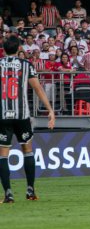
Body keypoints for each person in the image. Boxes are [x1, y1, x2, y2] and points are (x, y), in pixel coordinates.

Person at [0, 35, 55, 203]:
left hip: (3, 116)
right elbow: (38, 89)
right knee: (27, 150)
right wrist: (50, 111)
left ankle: (8, 193)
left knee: (3, 155)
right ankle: (30, 190)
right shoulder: (26, 65)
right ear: (18, 49)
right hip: (22, 115)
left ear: (3, 49)